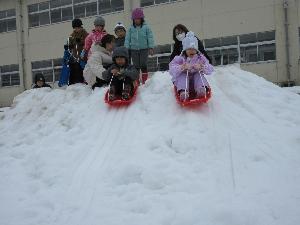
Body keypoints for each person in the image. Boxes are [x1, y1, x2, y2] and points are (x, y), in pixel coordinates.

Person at [169, 31, 213, 101]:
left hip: (196, 83)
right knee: (182, 76)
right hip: (183, 85)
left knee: (198, 75)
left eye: (193, 49)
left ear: (196, 50)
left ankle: (201, 89)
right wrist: (181, 67)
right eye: (189, 49)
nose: (191, 51)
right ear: (185, 50)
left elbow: (210, 69)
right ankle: (183, 92)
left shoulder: (201, 58)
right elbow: (171, 69)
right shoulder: (180, 59)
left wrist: (202, 67)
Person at [125, 8, 155, 84]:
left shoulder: (146, 27)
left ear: (141, 19)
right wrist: (126, 48)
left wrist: (151, 47)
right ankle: (136, 81)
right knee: (136, 66)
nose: (136, 20)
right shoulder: (131, 29)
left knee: (143, 64)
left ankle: (145, 81)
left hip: (144, 49)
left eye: (138, 19)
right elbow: (128, 39)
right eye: (135, 19)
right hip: (134, 50)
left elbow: (150, 37)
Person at [63, 18, 88, 85]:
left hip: (84, 56)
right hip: (75, 56)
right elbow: (69, 45)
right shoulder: (72, 36)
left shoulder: (85, 34)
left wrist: (81, 42)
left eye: (78, 27)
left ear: (81, 27)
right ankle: (72, 83)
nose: (77, 29)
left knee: (81, 67)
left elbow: (88, 43)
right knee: (72, 67)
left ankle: (84, 81)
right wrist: (68, 46)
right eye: (75, 28)